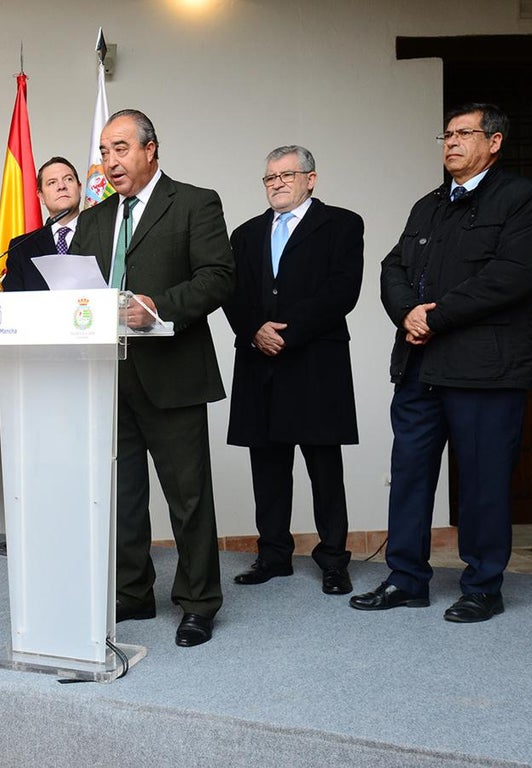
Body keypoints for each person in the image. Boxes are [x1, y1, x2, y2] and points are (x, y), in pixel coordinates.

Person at [350, 103, 532, 623]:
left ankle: (483, 585)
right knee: (411, 473)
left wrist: (434, 318)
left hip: (485, 370)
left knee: (484, 480)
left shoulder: (523, 199)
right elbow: (393, 265)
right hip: (420, 368)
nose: (451, 143)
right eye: (447, 134)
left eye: (464, 134)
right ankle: (406, 578)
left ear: (496, 141)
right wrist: (406, 312)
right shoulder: (430, 204)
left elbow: (511, 276)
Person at [70, 109, 235, 647]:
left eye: (120, 148)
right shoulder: (94, 220)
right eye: (103, 151)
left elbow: (218, 278)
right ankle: (133, 592)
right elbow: (80, 294)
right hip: (108, 375)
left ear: (150, 149)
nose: (110, 161)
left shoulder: (194, 202)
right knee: (122, 496)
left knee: (187, 497)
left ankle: (198, 601)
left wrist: (158, 307)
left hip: (173, 375)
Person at [223, 146, 363, 596]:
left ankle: (334, 559)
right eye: (269, 178)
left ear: (311, 179)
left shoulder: (342, 224)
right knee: (267, 465)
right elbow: (232, 292)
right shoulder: (245, 234)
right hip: (259, 362)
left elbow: (342, 290)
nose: (277, 183)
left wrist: (288, 332)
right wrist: (253, 330)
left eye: (286, 175)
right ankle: (273, 555)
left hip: (314, 362)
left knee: (324, 467)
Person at [3, 156, 82, 291]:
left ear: (79, 189)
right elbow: (13, 302)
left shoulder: (102, 236)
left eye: (68, 179)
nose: (61, 186)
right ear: (41, 196)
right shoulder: (21, 247)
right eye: (52, 182)